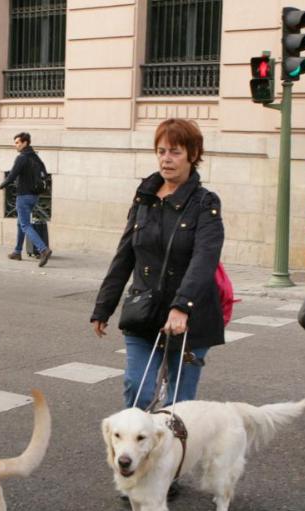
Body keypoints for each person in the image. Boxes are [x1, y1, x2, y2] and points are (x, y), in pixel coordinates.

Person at [91, 117, 224, 411]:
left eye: (175, 152)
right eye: (161, 151)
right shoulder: (145, 197)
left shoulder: (205, 203)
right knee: (138, 388)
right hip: (144, 313)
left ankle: (174, 455)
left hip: (189, 319)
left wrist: (181, 306)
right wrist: (104, 306)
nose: (166, 159)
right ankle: (139, 452)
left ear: (192, 154)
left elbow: (205, 259)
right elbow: (125, 254)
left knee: (180, 402)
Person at [0, 131, 52, 267]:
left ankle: (43, 249)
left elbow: (11, 176)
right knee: (20, 223)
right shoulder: (36, 157)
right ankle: (17, 251)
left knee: (25, 225)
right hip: (34, 196)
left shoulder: (22, 158)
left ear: (25, 143)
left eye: (17, 143)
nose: (15, 145)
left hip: (23, 196)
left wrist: (1, 185)